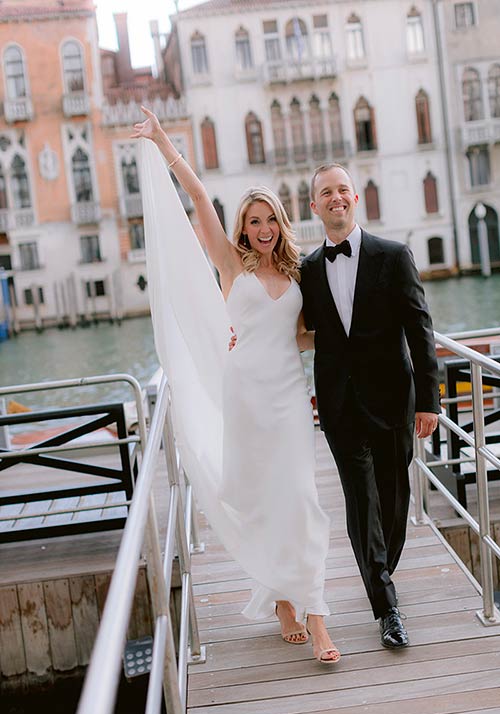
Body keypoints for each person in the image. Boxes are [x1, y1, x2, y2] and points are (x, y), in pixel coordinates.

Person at [132, 108, 340, 664]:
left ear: (281, 223)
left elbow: (300, 337)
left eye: (269, 219)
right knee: (264, 500)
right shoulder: (231, 265)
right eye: (253, 221)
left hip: (290, 399)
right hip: (245, 397)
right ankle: (281, 600)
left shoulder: (297, 275)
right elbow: (200, 201)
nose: (263, 229)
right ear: (244, 228)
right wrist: (162, 142)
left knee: (302, 498)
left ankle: (316, 616)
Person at [299, 163, 440, 649]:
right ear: (313, 206)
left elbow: (421, 331)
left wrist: (430, 401)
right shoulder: (309, 270)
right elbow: (293, 328)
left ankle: (380, 571)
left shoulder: (394, 256)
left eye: (342, 189)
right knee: (361, 502)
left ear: (354, 198)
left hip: (393, 402)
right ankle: (387, 607)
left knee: (393, 498)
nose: (335, 198)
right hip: (339, 407)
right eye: (325, 193)